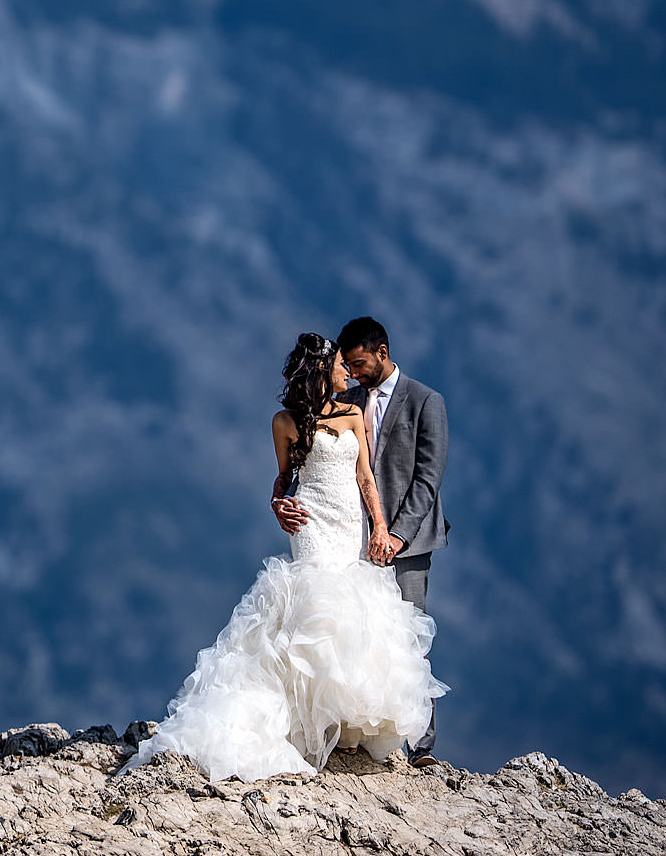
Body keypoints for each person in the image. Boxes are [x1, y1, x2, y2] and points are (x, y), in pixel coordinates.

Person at [130, 333, 443, 780]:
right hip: (311, 522)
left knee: (353, 607)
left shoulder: (354, 414)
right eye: (339, 364)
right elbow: (283, 479)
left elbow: (367, 480)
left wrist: (378, 525)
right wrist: (278, 504)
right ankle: (305, 722)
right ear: (319, 372)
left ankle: (344, 723)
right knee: (316, 603)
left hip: (347, 522)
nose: (347, 372)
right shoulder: (284, 422)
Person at [333, 314, 449, 760]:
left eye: (360, 363)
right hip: (356, 537)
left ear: (382, 352)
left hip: (410, 542)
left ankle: (421, 744)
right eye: (349, 365)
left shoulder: (425, 401)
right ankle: (366, 736)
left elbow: (428, 477)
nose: (355, 372)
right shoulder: (348, 401)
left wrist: (397, 534)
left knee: (410, 638)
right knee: (361, 633)